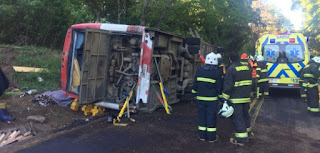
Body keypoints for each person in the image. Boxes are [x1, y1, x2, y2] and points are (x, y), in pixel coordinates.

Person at [222, 52, 253, 146]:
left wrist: (224, 99)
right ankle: (248, 133)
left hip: (236, 98)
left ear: (230, 59)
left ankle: (241, 139)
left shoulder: (231, 69)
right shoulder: (247, 67)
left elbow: (228, 85)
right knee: (245, 115)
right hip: (246, 97)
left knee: (238, 117)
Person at [192, 52, 222, 143]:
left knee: (202, 117)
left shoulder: (200, 70)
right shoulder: (216, 72)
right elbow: (219, 87)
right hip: (212, 100)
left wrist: (194, 93)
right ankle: (211, 138)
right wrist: (221, 98)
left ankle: (202, 136)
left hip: (200, 99)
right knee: (211, 117)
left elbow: (195, 84)